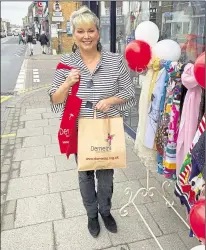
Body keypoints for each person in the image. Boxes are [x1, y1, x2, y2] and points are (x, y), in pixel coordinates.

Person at [48, 6, 136, 238]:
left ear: (98, 32)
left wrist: (111, 100)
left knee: (106, 175)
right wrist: (67, 84)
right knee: (85, 174)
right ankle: (91, 215)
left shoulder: (115, 61)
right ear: (74, 34)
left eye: (90, 30)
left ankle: (105, 211)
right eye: (80, 31)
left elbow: (129, 93)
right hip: (80, 131)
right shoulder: (66, 63)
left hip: (107, 130)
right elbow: (54, 101)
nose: (86, 36)